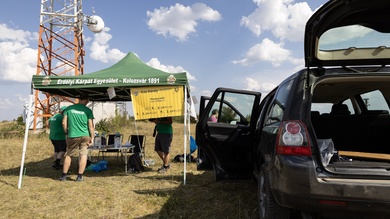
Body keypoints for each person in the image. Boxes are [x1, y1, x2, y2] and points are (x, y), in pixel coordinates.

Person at [60, 94, 94, 182]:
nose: (88, 102)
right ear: (85, 100)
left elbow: (64, 123)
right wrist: (92, 137)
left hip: (72, 135)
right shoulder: (88, 110)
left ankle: (64, 175)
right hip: (85, 135)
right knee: (83, 155)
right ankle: (80, 176)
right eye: (87, 100)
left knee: (69, 154)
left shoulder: (69, 109)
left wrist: (66, 132)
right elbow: (90, 125)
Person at [47, 106, 67, 170]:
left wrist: (50, 127)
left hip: (52, 136)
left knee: (56, 150)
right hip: (60, 136)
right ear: (63, 111)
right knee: (63, 150)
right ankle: (56, 162)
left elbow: (47, 121)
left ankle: (56, 163)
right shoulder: (61, 117)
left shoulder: (53, 116)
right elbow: (65, 123)